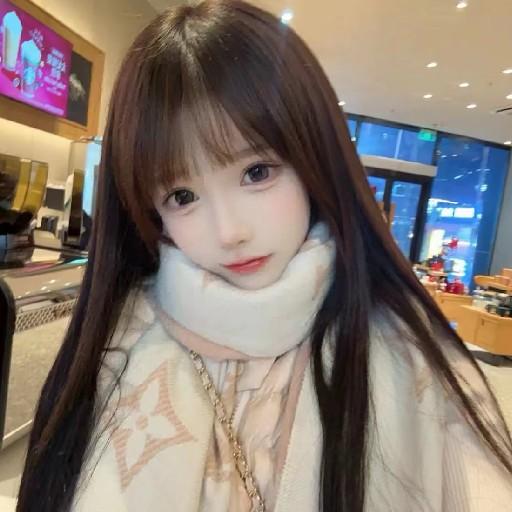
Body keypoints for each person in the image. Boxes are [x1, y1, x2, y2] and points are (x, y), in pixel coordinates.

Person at [16, 1, 512, 511]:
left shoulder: (406, 354)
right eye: (182, 196)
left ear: (314, 158)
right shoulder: (119, 342)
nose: (229, 232)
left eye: (257, 172)